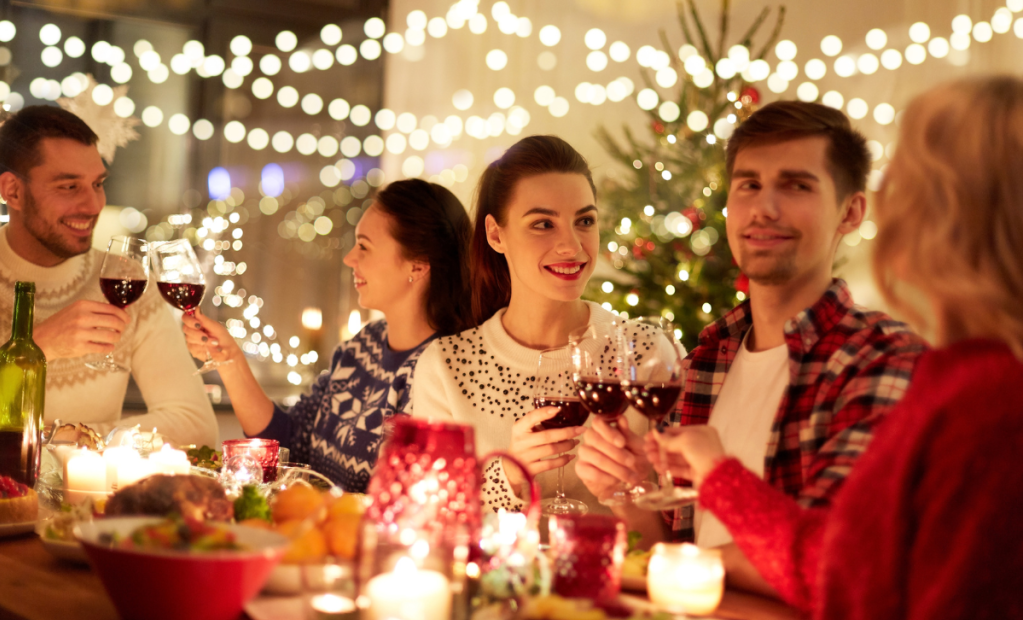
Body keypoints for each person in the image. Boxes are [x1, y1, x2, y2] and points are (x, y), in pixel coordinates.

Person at [651, 76, 1023, 620]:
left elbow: (843, 579)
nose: (896, 202)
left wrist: (717, 480)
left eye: (913, 182)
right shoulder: (708, 354)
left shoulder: (963, 389)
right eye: (748, 185)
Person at [577, 101, 926, 565]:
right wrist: (624, 494)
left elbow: (837, 564)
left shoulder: (882, 358)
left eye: (796, 185)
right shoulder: (703, 363)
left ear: (850, 211)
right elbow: (675, 550)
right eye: (749, 185)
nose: (764, 208)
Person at [412, 135, 651, 521]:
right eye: (543, 224)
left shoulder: (641, 353)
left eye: (584, 221)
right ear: (495, 234)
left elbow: (673, 536)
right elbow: (427, 521)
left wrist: (625, 492)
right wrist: (506, 476)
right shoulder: (446, 367)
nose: (571, 246)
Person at [185, 179, 473, 492]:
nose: (350, 258)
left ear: (417, 267)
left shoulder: (446, 369)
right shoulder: (360, 348)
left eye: (364, 246)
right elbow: (291, 443)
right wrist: (230, 360)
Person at [0, 105, 217, 445]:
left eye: (98, 183)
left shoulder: (130, 283)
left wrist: (71, 437)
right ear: (12, 191)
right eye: (69, 187)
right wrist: (37, 348)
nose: (93, 204)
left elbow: (195, 426)